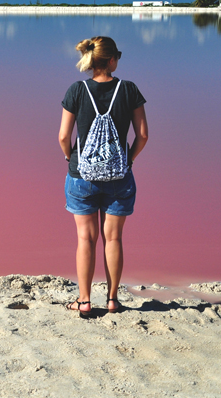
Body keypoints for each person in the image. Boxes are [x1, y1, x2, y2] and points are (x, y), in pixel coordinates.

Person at [58, 36, 148, 317]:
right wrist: (128, 159)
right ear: (111, 60)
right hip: (119, 176)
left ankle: (84, 301)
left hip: (81, 175)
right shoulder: (129, 89)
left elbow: (63, 136)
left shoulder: (77, 90)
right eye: (117, 55)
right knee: (114, 239)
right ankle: (112, 300)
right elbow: (143, 135)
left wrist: (68, 158)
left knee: (85, 239)